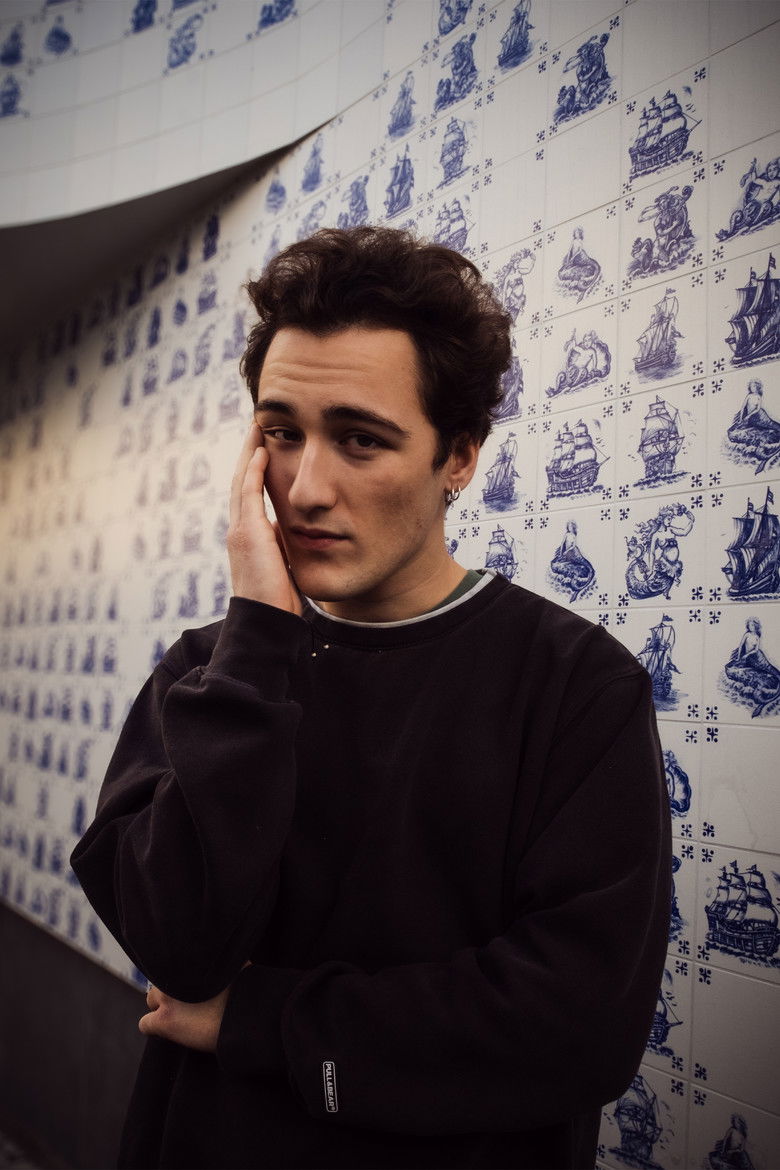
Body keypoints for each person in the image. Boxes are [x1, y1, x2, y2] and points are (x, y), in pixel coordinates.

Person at [71, 226, 671, 1170]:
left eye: (360, 439)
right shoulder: (207, 674)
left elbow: (579, 1025)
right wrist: (256, 644)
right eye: (281, 433)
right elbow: (178, 948)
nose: (306, 488)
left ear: (459, 456)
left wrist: (262, 1022)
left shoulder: (576, 686)